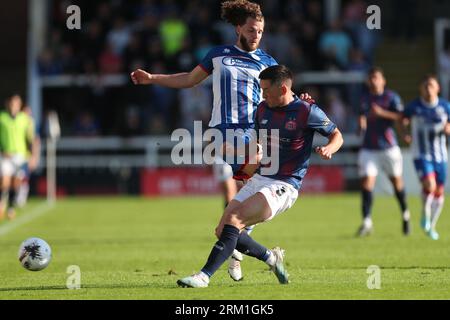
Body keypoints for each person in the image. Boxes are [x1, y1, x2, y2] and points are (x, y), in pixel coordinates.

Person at [131, 0, 312, 282]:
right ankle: (265, 255)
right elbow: (189, 80)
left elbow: (284, 96)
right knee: (232, 209)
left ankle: (218, 266)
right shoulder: (218, 55)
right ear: (239, 28)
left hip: (252, 134)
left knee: (235, 204)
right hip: (218, 136)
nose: (257, 36)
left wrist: (303, 103)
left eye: (261, 31)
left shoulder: (267, 62)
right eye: (252, 30)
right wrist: (153, 77)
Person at [176, 65, 344, 288]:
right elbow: (258, 147)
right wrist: (238, 160)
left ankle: (203, 276)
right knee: (222, 230)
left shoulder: (306, 111)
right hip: (260, 177)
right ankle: (271, 258)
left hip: (285, 184)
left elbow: (336, 134)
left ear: (283, 89)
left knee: (235, 222)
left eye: (266, 89)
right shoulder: (263, 109)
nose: (262, 95)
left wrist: (330, 148)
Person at [356, 67, 410, 237]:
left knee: (397, 184)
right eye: (371, 78)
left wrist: (382, 113)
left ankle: (405, 214)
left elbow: (402, 117)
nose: (374, 81)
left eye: (376, 78)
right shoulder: (364, 99)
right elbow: (361, 116)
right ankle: (367, 221)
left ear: (383, 80)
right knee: (366, 184)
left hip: (388, 148)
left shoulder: (391, 97)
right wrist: (361, 124)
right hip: (369, 148)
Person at [402, 75, 450, 240]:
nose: (428, 88)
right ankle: (424, 213)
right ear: (421, 89)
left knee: (439, 193)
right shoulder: (414, 106)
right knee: (430, 185)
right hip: (421, 154)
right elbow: (403, 119)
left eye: (431, 85)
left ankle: (432, 225)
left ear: (438, 88)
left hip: (441, 156)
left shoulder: (445, 106)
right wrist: (405, 133)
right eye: (425, 86)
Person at [0, 94, 36, 220]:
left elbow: (30, 137)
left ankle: (10, 207)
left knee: (16, 183)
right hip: (5, 154)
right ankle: (2, 204)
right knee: (4, 181)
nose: (14, 106)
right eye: (12, 103)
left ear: (19, 105)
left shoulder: (24, 119)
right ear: (7, 104)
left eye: (16, 104)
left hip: (20, 155)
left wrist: (31, 155)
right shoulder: (2, 117)